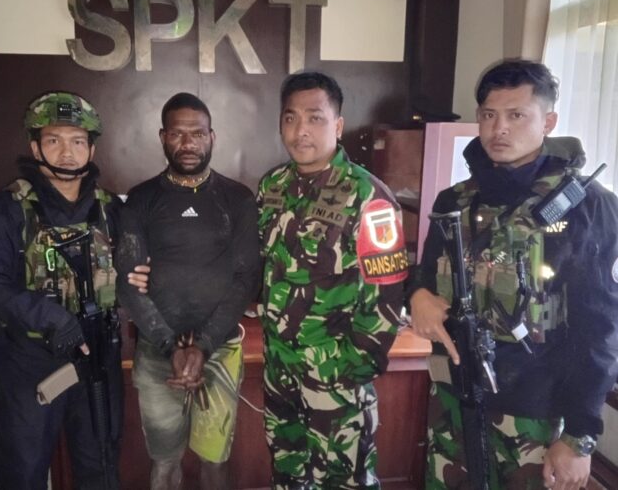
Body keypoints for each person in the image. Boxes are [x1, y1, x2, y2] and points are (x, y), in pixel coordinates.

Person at [408, 59, 618, 489]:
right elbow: (425, 275)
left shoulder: (587, 206)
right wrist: (418, 296)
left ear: (548, 122)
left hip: (536, 413)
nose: (498, 128)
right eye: (489, 115)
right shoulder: (454, 200)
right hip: (454, 398)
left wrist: (580, 437)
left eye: (516, 115)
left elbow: (601, 329)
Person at [0, 91, 149, 490]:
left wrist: (137, 280)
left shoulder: (110, 209)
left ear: (91, 149)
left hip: (98, 353)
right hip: (30, 359)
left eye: (77, 141)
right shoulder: (10, 208)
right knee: (24, 470)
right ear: (35, 147)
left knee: (101, 464)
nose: (67, 153)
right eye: (54, 140)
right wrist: (51, 318)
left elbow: (132, 272)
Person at [257, 71, 409, 489]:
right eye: (290, 118)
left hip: (335, 377)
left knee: (343, 481)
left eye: (315, 118)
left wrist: (347, 370)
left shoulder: (368, 196)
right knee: (287, 475)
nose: (300, 130)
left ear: (338, 125)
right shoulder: (273, 186)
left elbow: (386, 299)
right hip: (280, 371)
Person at [115, 92, 261, 490]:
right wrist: (170, 346)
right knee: (164, 464)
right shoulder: (141, 199)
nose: (188, 143)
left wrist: (204, 345)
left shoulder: (237, 199)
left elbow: (246, 279)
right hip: (157, 351)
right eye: (177, 134)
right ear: (163, 137)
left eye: (197, 133)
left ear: (212, 136)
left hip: (220, 349)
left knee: (216, 463)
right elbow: (128, 282)